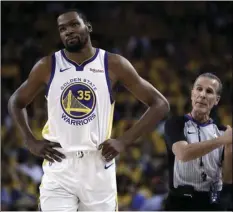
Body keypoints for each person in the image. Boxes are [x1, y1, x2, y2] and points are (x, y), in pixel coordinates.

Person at [8, 9, 170, 211]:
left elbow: (160, 104)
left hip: (98, 164)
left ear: (89, 27)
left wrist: (123, 141)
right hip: (60, 164)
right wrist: (29, 140)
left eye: (74, 24)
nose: (68, 31)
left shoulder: (113, 64)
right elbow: (16, 101)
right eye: (62, 28)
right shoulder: (47, 65)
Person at [164, 72, 232, 211]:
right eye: (199, 89)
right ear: (192, 94)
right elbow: (183, 154)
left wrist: (229, 146)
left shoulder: (223, 132)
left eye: (209, 91)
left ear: (217, 100)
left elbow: (228, 178)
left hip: (212, 203)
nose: (202, 95)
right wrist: (222, 140)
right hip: (180, 202)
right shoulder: (175, 124)